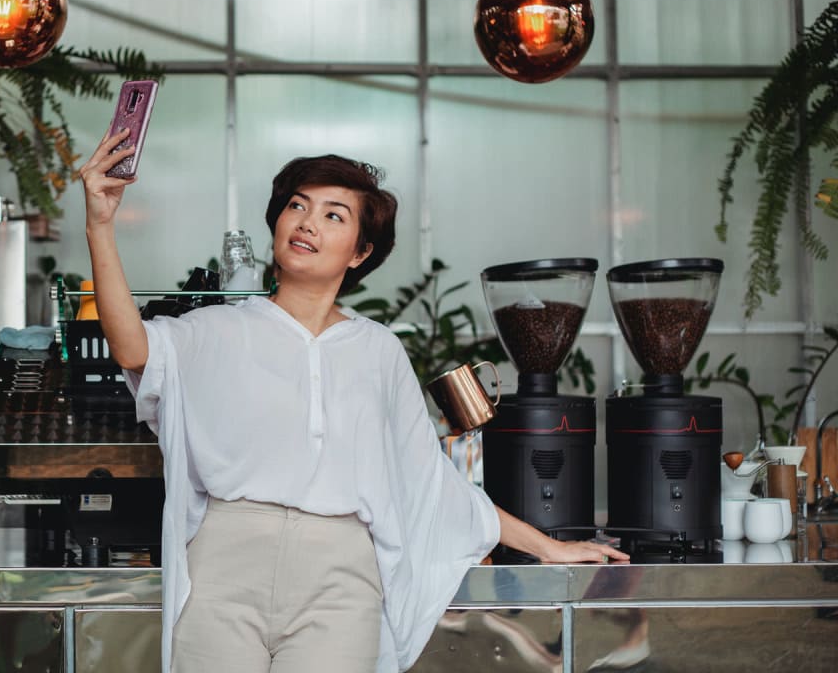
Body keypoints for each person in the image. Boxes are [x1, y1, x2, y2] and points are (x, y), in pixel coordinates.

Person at [78, 128, 628, 673]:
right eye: (298, 206)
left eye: (333, 215)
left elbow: (429, 479)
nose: (308, 223)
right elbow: (132, 348)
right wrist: (101, 224)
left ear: (361, 252)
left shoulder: (378, 351)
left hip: (339, 579)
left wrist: (547, 547)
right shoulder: (214, 329)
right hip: (225, 566)